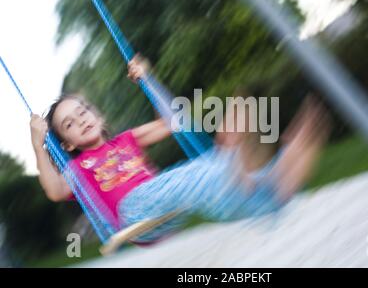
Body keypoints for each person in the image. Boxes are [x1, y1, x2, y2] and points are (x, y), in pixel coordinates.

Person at [30, 55, 330, 242]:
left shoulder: (126, 139)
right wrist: (38, 144)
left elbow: (174, 121)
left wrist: (149, 79)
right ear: (67, 143)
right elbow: (55, 191)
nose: (80, 120)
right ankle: (238, 162)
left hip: (164, 201)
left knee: (202, 169)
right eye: (69, 124)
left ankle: (273, 180)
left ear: (96, 115)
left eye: (82, 112)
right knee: (203, 171)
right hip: (133, 213)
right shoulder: (77, 168)